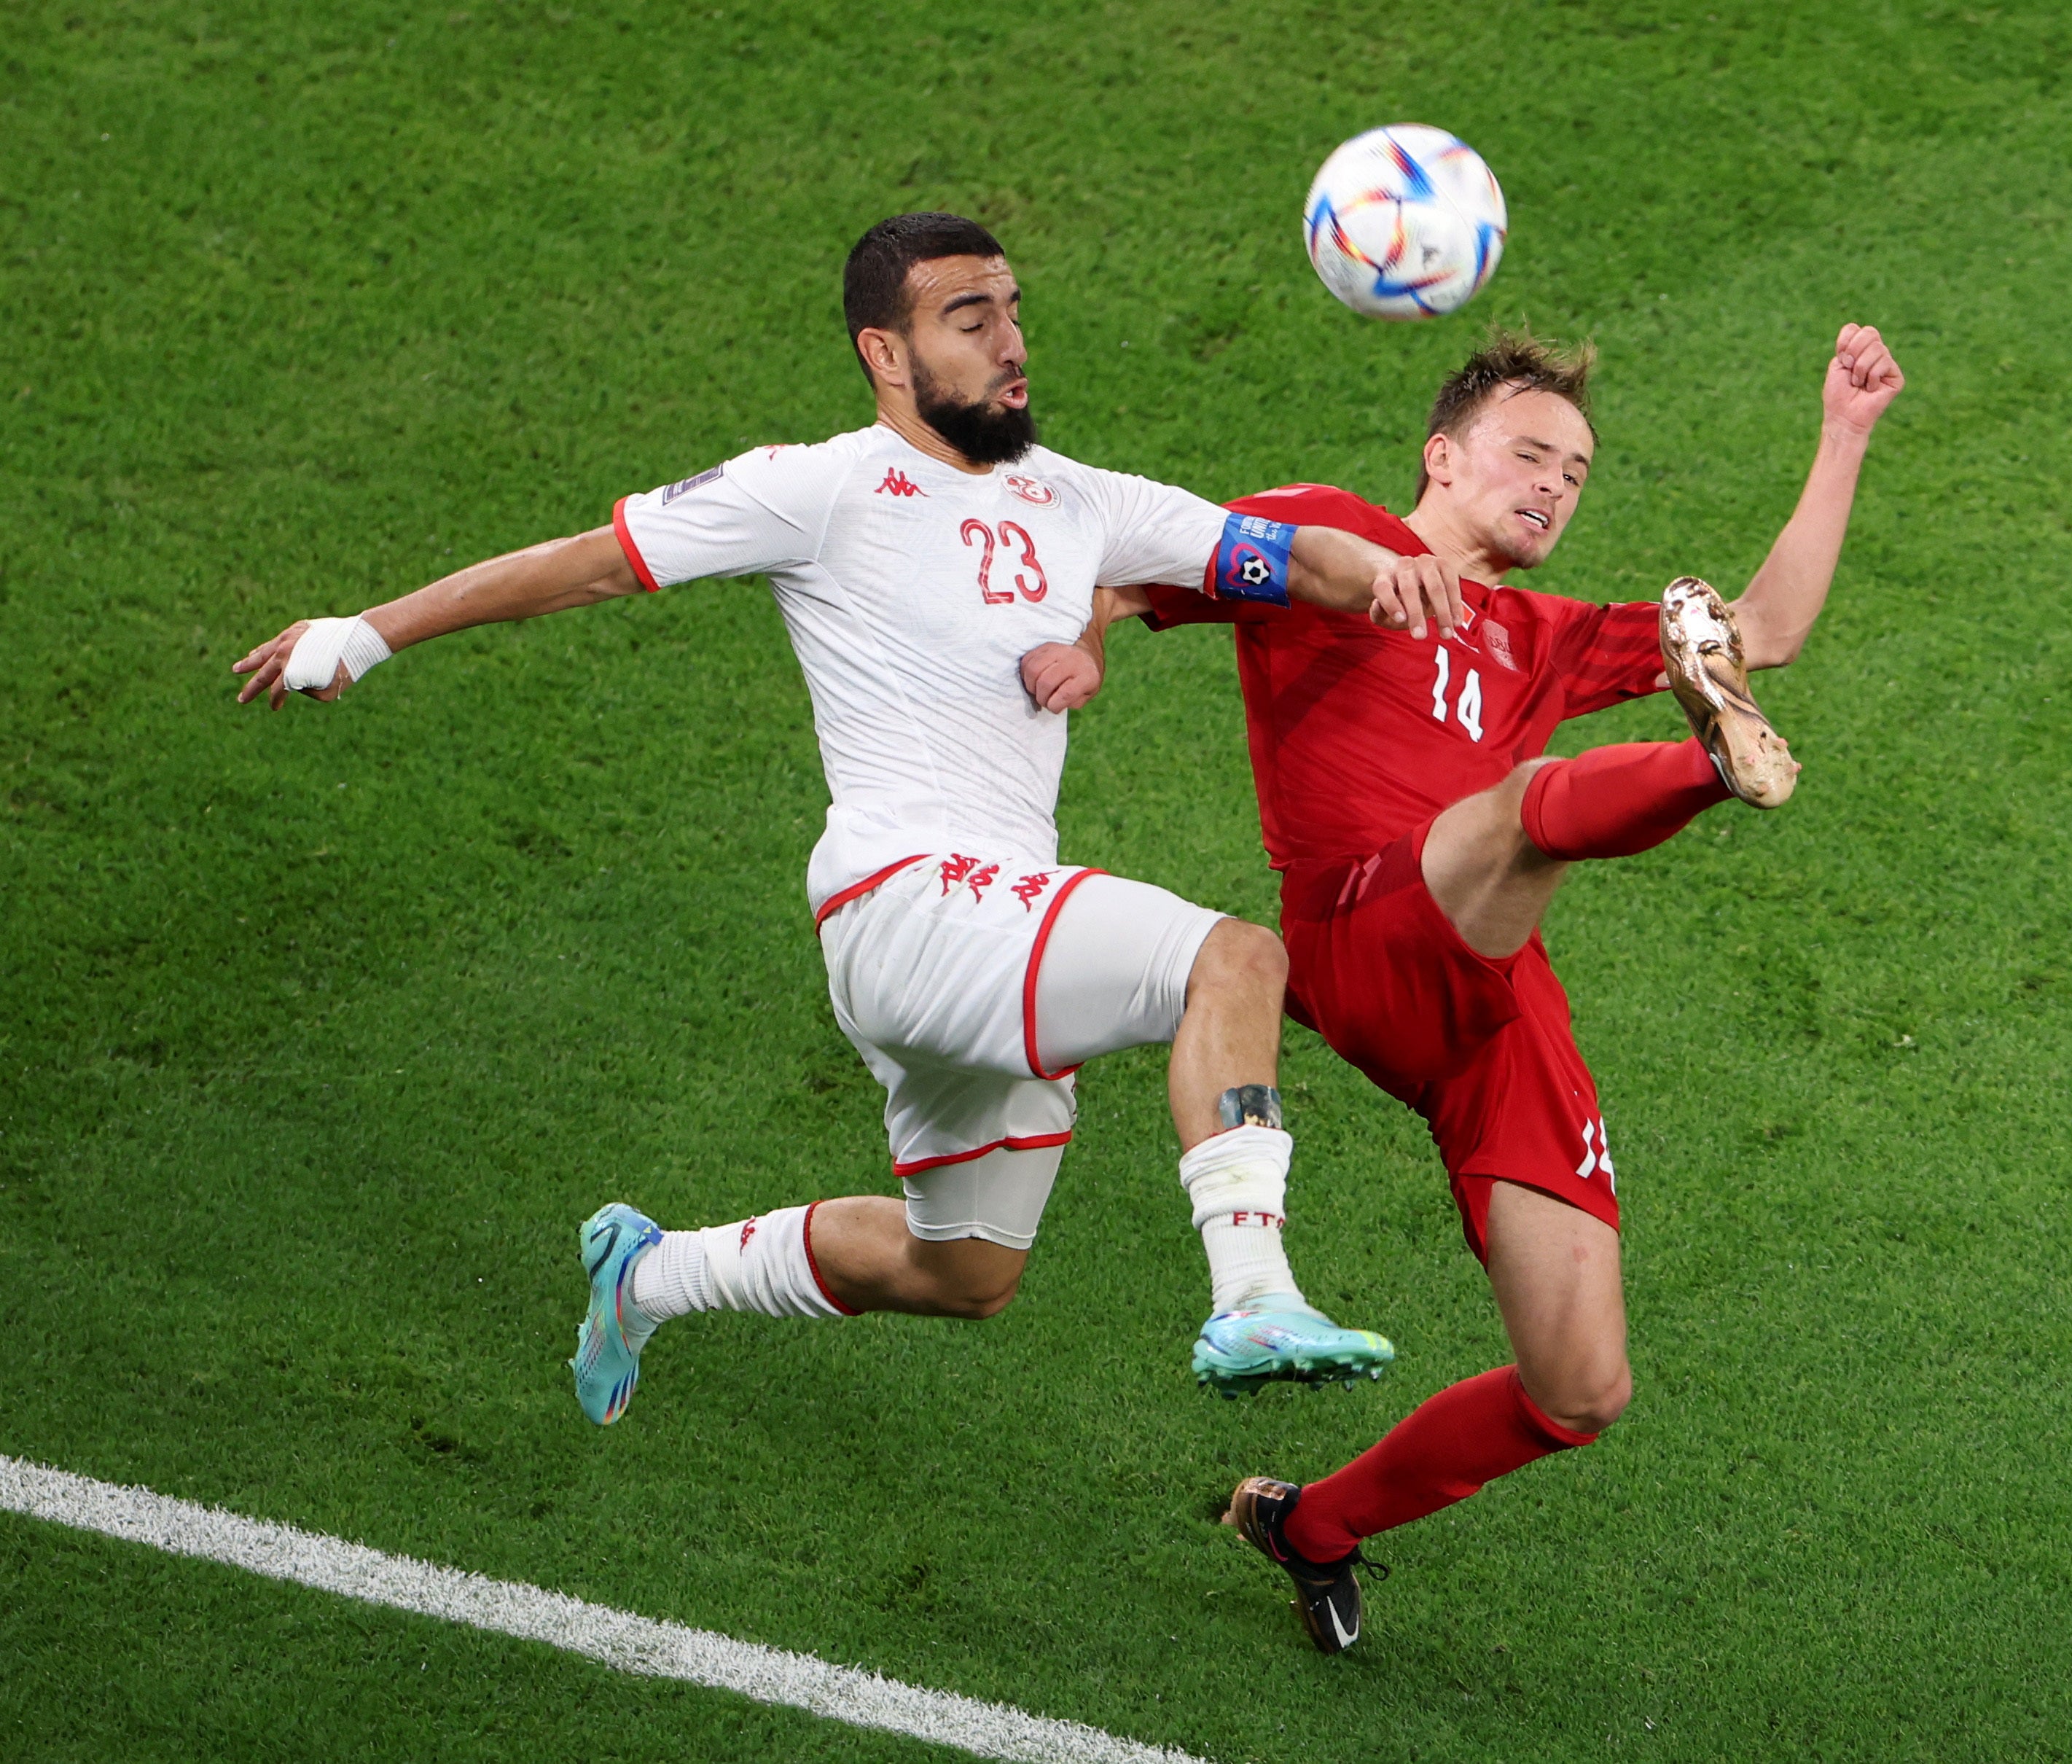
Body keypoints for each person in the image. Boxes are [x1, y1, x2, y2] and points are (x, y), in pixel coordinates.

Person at [231, 212, 1474, 1422]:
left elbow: (1281, 556)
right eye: (968, 317)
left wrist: (1392, 572)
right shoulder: (821, 489)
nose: (1010, 342)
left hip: (981, 942)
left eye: (1014, 310)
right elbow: (592, 562)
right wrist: (370, 633)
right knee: (1235, 958)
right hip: (913, 901)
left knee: (965, 1272)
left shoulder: (1081, 500)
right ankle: (1254, 1293)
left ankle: (648, 1275)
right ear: (887, 355)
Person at [1023, 323, 1904, 1649]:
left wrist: (1844, 434)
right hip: (1361, 926)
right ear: (1443, 456)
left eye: (1578, 472)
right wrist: (1083, 647)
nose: (1555, 484)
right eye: (1530, 454)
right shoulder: (1324, 538)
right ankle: (1702, 765)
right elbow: (1127, 561)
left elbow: (1765, 626)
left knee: (1581, 1387)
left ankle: (1306, 1524)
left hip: (1492, 1010)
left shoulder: (1540, 636)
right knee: (1519, 815)